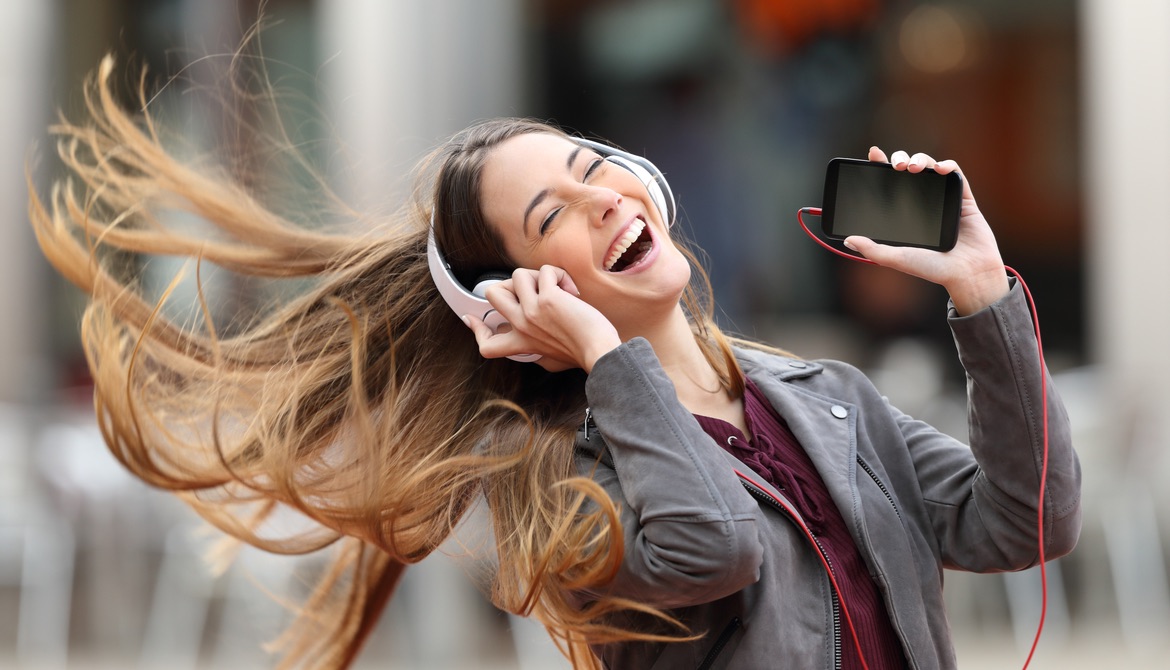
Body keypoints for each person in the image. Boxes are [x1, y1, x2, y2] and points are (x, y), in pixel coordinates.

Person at [29, 52, 1081, 670]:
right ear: (519, 296)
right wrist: (608, 358)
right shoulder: (557, 483)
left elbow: (1024, 520)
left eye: (594, 171)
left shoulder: (830, 400)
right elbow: (713, 550)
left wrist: (983, 295)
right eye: (553, 216)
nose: (604, 201)